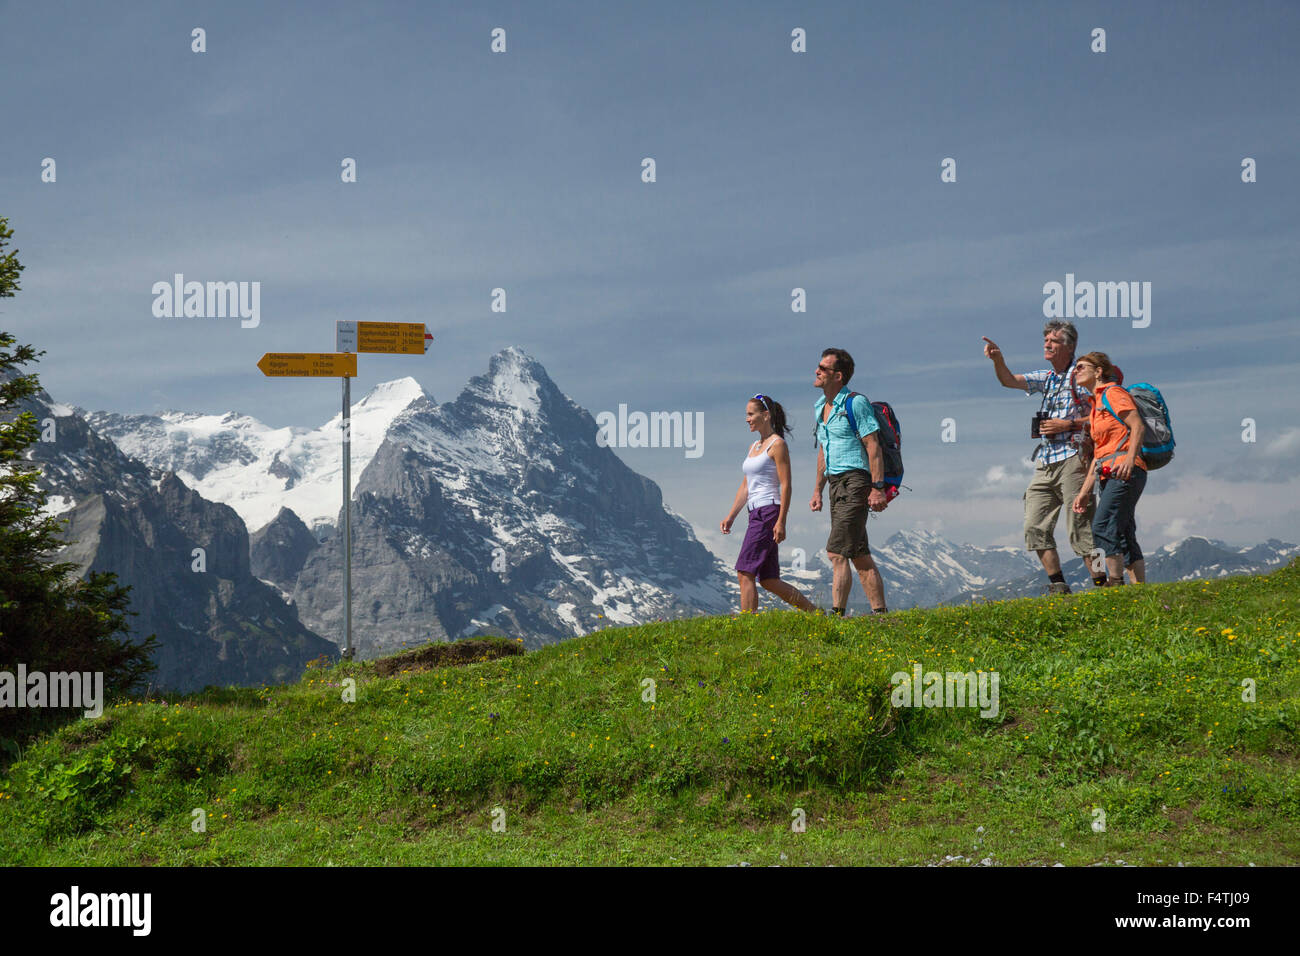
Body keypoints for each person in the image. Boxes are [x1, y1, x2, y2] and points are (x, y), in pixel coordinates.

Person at [982, 321, 1100, 594]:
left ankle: (1103, 584)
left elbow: (1104, 415)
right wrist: (998, 360)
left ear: (1069, 346)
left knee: (1081, 528)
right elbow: (1009, 381)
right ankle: (1058, 585)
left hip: (1075, 457)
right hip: (1045, 460)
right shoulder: (1047, 378)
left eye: (1054, 340)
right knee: (1034, 525)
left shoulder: (1082, 377)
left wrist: (1067, 425)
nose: (1047, 344)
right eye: (1046, 339)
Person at [808, 348, 889, 615]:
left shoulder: (855, 403)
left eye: (823, 368)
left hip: (856, 481)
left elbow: (873, 445)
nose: (817, 371)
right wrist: (818, 489)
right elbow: (823, 450)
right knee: (858, 553)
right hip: (835, 483)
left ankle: (836, 616)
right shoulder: (821, 407)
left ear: (838, 376)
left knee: (836, 552)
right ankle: (881, 615)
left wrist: (877, 489)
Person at [721, 394, 817, 613]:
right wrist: (731, 516)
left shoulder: (777, 445)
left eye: (751, 414)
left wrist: (781, 521)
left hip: (768, 511)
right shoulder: (754, 446)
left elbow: (786, 485)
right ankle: (816, 613)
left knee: (745, 572)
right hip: (754, 512)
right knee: (769, 580)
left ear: (765, 415)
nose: (747, 419)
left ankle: (747, 626)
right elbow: (746, 486)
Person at [1071, 353, 1147, 586]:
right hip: (1108, 472)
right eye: (1075, 368)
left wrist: (1129, 458)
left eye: (1081, 366)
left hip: (1126, 470)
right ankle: (1140, 590)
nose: (1076, 371)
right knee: (1123, 532)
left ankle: (1115, 583)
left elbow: (1137, 426)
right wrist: (1085, 491)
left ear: (1098, 371)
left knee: (1102, 525)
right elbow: (1099, 454)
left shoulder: (1113, 394)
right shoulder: (1096, 405)